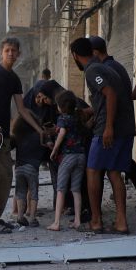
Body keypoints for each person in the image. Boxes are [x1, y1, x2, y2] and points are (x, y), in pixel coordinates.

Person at [0, 37, 44, 233]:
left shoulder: (14, 79)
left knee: (5, 175)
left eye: (14, 50)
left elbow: (22, 109)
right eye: (7, 50)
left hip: (3, 135)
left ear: (18, 54)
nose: (11, 53)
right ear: (1, 53)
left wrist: (39, 130)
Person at [70, 37, 134, 234]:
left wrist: (107, 127)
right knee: (114, 173)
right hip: (125, 128)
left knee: (92, 170)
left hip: (109, 131)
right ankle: (121, 223)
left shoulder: (92, 70)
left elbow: (111, 94)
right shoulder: (109, 67)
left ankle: (96, 221)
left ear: (75, 55)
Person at [89, 35, 136, 189]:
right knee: (121, 167)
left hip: (117, 127)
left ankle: (97, 213)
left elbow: (112, 98)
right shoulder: (115, 66)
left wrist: (108, 127)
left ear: (95, 53)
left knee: (103, 170)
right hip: (123, 126)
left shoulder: (106, 68)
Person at [47, 90, 88, 231]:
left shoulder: (62, 119)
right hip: (81, 156)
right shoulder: (78, 117)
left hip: (68, 157)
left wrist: (54, 150)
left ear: (61, 106)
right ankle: (77, 220)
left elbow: (62, 133)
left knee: (60, 189)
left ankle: (56, 222)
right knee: (76, 189)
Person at [11, 114, 46, 227]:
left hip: (19, 168)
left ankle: (20, 216)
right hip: (32, 168)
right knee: (33, 193)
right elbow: (44, 150)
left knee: (20, 192)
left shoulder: (17, 136)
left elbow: (9, 147)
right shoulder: (37, 135)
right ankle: (32, 218)